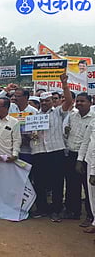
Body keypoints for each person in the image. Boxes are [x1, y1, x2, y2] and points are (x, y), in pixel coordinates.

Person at [29, 74, 73, 222]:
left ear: (52, 102)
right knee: (40, 182)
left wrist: (64, 84)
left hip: (55, 151)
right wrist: (31, 135)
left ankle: (56, 209)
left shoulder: (59, 112)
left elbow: (68, 101)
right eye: (42, 101)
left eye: (47, 101)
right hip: (39, 151)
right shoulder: (34, 116)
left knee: (57, 182)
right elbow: (29, 133)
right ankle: (42, 208)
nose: (45, 103)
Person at [65, 93, 95, 226]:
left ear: (90, 102)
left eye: (82, 101)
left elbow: (88, 141)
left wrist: (81, 159)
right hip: (71, 153)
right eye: (77, 101)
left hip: (85, 157)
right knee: (72, 185)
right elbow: (67, 132)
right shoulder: (72, 115)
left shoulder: (93, 118)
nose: (79, 104)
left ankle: (90, 215)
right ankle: (74, 211)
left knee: (88, 187)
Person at [78, 118, 95, 234]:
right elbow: (86, 141)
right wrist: (80, 159)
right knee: (92, 195)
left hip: (93, 166)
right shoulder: (93, 121)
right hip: (90, 161)